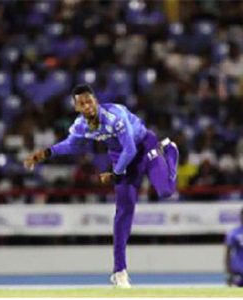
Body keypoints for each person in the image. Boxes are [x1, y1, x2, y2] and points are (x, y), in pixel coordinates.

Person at [24, 84, 179, 288]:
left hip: (143, 147)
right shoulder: (81, 125)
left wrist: (115, 174)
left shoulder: (114, 116)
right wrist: (45, 153)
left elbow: (130, 149)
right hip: (120, 156)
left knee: (166, 191)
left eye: (89, 101)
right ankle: (119, 271)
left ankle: (170, 151)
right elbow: (71, 144)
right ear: (76, 107)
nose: (87, 106)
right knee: (123, 213)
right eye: (82, 103)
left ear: (95, 100)